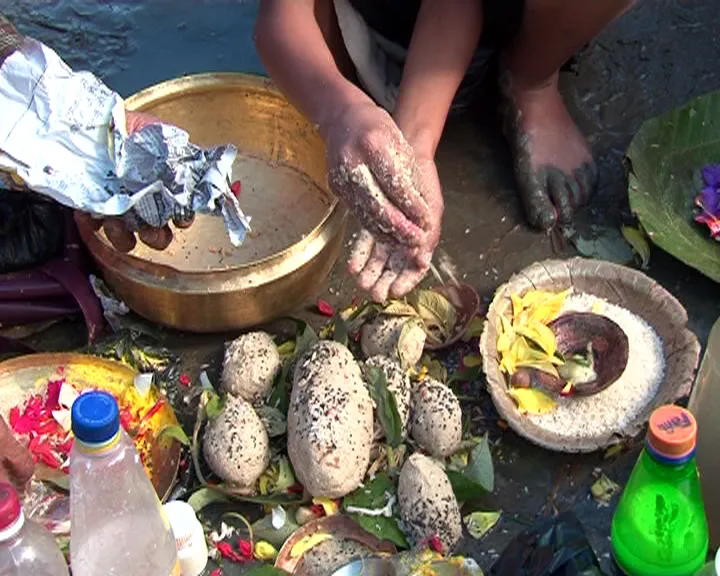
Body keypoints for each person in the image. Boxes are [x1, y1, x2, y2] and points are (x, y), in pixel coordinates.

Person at [254, 0, 637, 301]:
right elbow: (281, 16)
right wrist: (341, 113)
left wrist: (417, 139)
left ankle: (533, 74)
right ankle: (360, 84)